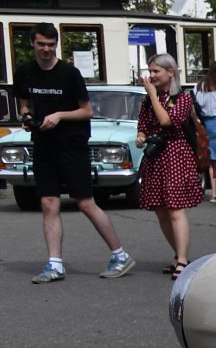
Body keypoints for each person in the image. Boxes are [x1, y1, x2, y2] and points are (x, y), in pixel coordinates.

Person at [11, 23, 134, 281]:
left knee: (85, 202)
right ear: (32, 44)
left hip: (72, 144)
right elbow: (23, 103)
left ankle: (120, 255)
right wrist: (27, 115)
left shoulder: (69, 73)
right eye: (41, 44)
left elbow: (87, 110)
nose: (46, 49)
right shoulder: (25, 72)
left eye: (51, 45)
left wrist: (59, 116)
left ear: (56, 45)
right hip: (43, 144)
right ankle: (55, 264)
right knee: (48, 203)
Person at [134, 53, 203, 277]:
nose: (151, 75)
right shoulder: (147, 100)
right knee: (161, 211)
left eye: (156, 71)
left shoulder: (183, 98)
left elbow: (167, 121)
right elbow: (143, 124)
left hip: (175, 154)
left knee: (175, 209)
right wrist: (141, 135)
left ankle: (183, 260)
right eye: (150, 71)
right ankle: (177, 255)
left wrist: (153, 95)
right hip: (155, 157)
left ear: (170, 73)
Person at [193, 62, 216, 202]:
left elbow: (195, 105)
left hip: (205, 123)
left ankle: (214, 194)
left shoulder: (198, 87)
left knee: (211, 160)